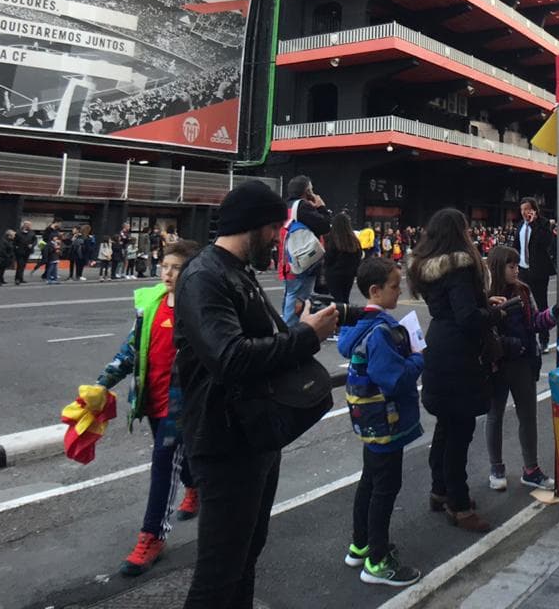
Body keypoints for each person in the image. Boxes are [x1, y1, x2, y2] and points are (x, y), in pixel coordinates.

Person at [174, 180, 339, 608]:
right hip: (224, 439)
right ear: (251, 225)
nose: (277, 240)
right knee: (218, 571)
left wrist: (302, 324)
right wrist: (305, 336)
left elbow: (260, 339)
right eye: (272, 229)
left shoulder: (236, 271)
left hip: (255, 435)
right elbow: (228, 358)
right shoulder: (203, 276)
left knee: (247, 555)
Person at [96, 240, 202, 577]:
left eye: (177, 268)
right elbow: (131, 351)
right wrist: (101, 384)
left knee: (163, 461)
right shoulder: (152, 303)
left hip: (181, 404)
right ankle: (195, 484)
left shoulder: (196, 309)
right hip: (151, 400)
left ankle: (152, 535)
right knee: (175, 459)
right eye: (165, 266)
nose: (168, 274)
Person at [409, 207, 505, 533]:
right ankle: (459, 504)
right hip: (459, 356)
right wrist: (495, 314)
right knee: (459, 432)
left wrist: (480, 308)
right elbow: (467, 318)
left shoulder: (429, 269)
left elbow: (453, 309)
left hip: (438, 345)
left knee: (446, 427)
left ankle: (440, 490)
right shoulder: (460, 267)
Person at [338, 256, 423, 587]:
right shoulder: (382, 332)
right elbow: (394, 379)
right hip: (386, 419)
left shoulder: (357, 325)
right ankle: (377, 561)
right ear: (375, 290)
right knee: (385, 488)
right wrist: (417, 359)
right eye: (394, 286)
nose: (398, 291)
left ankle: (360, 544)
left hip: (367, 419)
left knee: (370, 481)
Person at [484, 246, 559, 492]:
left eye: (517, 265)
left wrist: (552, 315)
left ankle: (531, 469)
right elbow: (484, 331)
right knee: (495, 415)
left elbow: (534, 321)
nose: (516, 270)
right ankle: (496, 466)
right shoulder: (485, 295)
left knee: (527, 415)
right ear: (499, 267)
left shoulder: (524, 290)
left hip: (523, 362)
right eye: (511, 266)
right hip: (497, 364)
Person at [280, 175, 332, 326]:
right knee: (300, 296)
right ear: (306, 190)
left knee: (290, 293)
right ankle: (292, 328)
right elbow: (324, 225)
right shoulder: (303, 206)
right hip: (304, 258)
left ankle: (286, 325)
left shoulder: (286, 206)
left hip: (287, 256)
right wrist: (321, 207)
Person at [513, 198, 556, 350]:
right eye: (522, 209)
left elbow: (545, 242)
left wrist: (533, 223)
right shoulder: (519, 226)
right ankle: (525, 336)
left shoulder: (543, 224)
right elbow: (516, 247)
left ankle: (544, 339)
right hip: (523, 270)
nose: (524, 212)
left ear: (534, 210)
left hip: (538, 271)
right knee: (522, 303)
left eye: (527, 209)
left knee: (541, 303)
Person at [324, 211, 362, 307]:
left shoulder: (332, 239)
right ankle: (345, 317)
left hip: (334, 274)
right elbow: (359, 256)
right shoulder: (354, 240)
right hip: (349, 275)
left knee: (336, 299)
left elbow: (328, 258)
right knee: (345, 298)